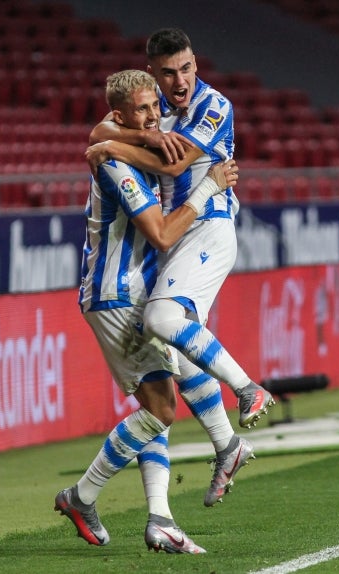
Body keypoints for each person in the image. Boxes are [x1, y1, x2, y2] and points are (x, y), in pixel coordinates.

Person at [87, 28, 275, 506]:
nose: (180, 80)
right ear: (153, 73)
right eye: (169, 72)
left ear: (197, 64)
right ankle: (225, 449)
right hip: (172, 238)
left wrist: (111, 150)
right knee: (174, 355)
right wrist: (121, 138)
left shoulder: (213, 106)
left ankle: (249, 388)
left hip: (206, 224)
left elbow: (172, 166)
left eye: (186, 68)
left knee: (162, 320)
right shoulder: (153, 109)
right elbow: (99, 131)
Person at [55, 69, 239, 553]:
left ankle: (160, 517)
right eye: (143, 109)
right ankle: (83, 495)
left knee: (168, 381)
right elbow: (160, 233)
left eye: (156, 106)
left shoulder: (128, 145)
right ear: (121, 116)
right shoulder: (117, 165)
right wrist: (208, 189)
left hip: (134, 291)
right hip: (115, 295)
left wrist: (137, 137)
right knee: (160, 407)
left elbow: (111, 138)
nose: (155, 116)